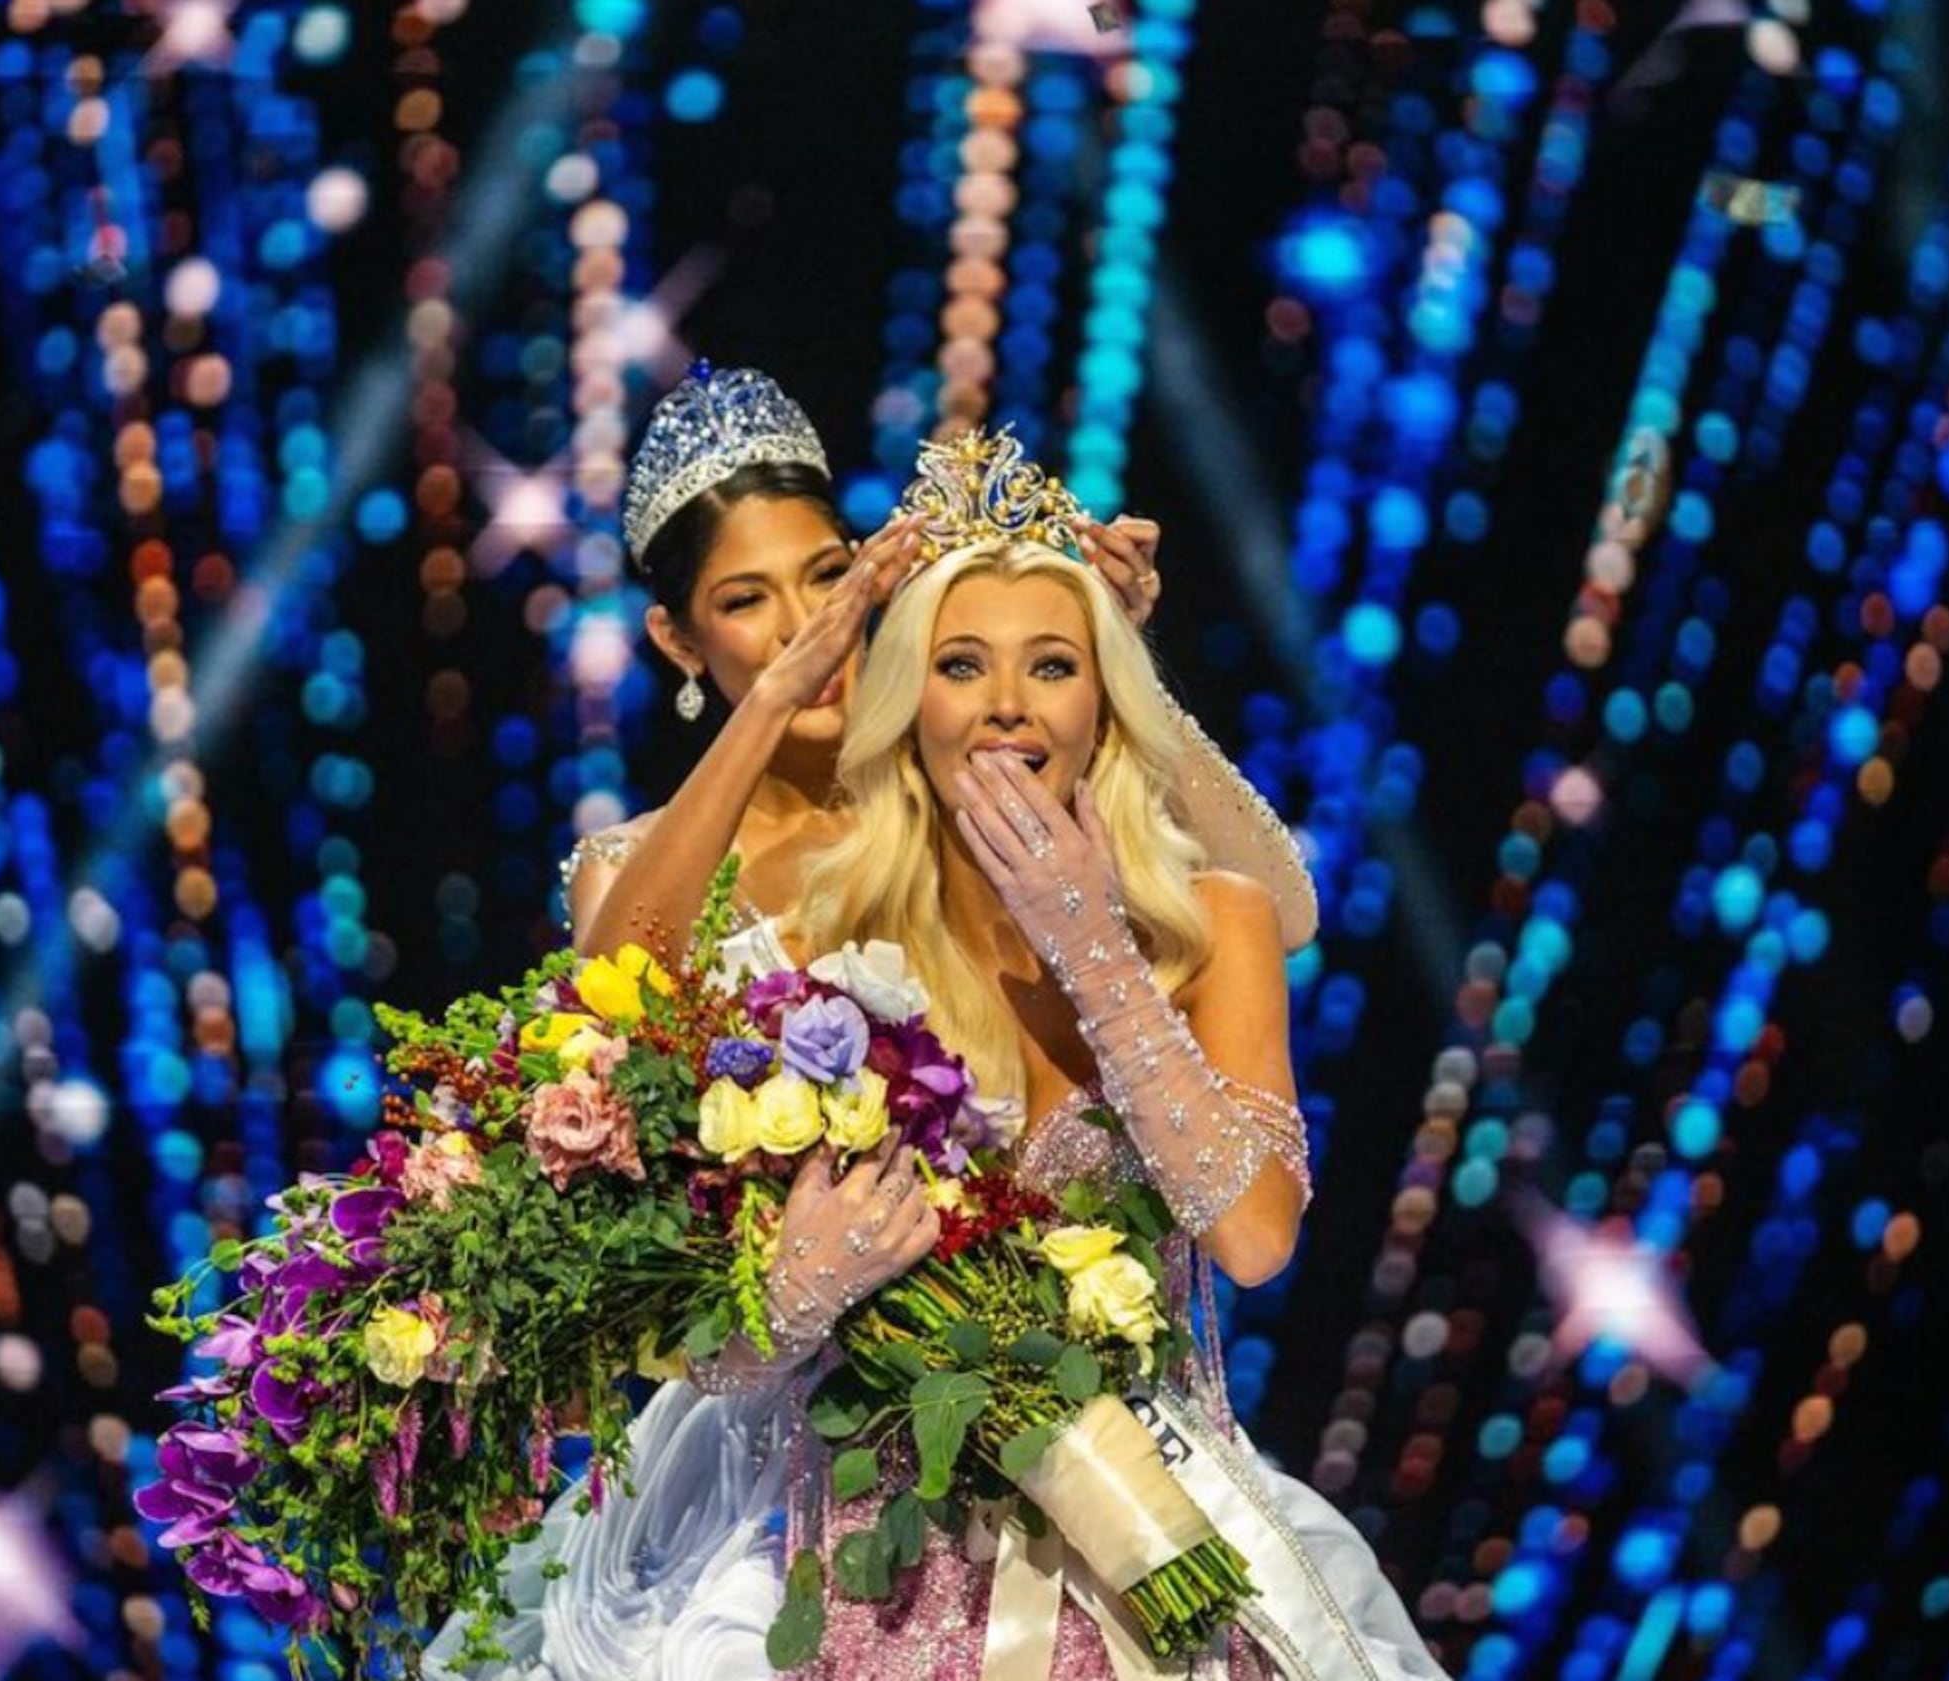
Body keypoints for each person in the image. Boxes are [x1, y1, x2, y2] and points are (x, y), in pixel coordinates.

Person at [429, 437, 1446, 1680]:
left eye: (1054, 667)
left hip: (1146, 1507)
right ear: (912, 697)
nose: (1009, 702)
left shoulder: (1205, 918)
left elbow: (1253, 1238)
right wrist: (795, 1291)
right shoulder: (818, 948)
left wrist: (1092, 946)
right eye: (962, 664)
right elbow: (710, 1309)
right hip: (871, 1546)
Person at [559, 362, 1317, 963]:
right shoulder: (627, 864)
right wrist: (774, 698)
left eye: (827, 577)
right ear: (676, 639)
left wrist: (1124, 661)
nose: (808, 626)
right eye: (745, 601)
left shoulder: (968, 786)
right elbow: (604, 1008)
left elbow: (1281, 914)